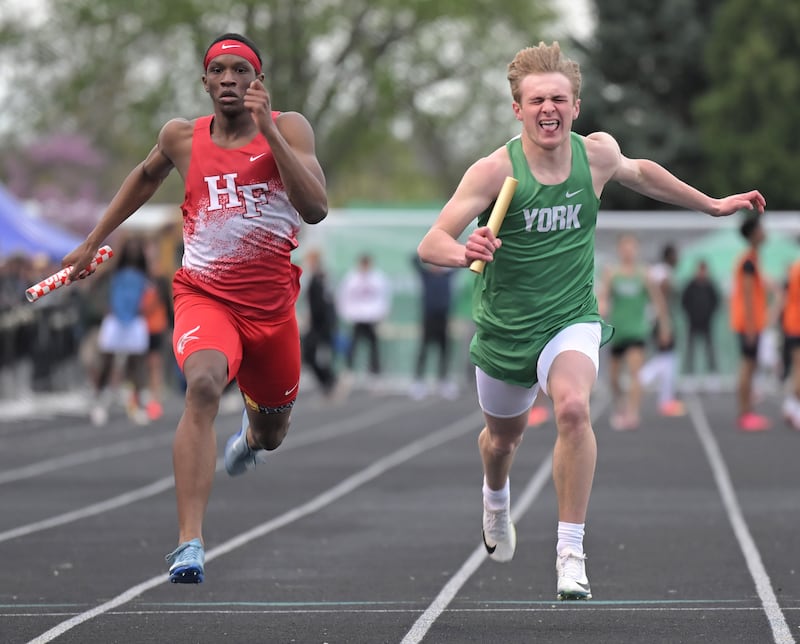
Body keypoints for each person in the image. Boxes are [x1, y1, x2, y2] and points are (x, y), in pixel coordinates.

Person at [416, 41, 765, 601]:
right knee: (501, 441)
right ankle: (495, 498)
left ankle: (570, 550)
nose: (548, 109)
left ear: (576, 106)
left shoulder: (596, 155)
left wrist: (711, 204)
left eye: (558, 98)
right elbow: (431, 242)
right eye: (536, 101)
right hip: (506, 328)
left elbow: (642, 173)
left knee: (574, 410)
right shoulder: (494, 170)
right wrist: (465, 249)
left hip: (570, 316)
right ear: (518, 109)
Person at [62, 33, 327, 583]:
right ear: (205, 82)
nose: (229, 79)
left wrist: (271, 131)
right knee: (203, 385)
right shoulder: (182, 137)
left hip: (272, 310)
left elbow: (315, 207)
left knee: (274, 431)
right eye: (218, 71)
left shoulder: (291, 126)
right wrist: (92, 241)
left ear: (259, 81)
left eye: (240, 71)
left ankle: (252, 440)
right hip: (205, 295)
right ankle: (189, 543)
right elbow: (144, 176)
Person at [597, 233, 668, 430]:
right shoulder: (612, 273)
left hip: (637, 331)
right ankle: (620, 407)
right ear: (619, 250)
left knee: (635, 374)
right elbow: (603, 298)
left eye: (632, 247)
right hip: (617, 331)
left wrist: (664, 327)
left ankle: (632, 413)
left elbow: (658, 301)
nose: (628, 251)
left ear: (636, 250)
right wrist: (601, 310)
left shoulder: (644, 274)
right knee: (613, 379)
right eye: (624, 247)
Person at [89, 238, 150, 427]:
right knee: (106, 361)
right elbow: (95, 289)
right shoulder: (113, 272)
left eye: (136, 248)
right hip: (114, 320)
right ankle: (98, 402)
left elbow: (151, 295)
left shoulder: (145, 274)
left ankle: (137, 405)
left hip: (135, 320)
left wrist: (145, 307)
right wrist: (104, 308)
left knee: (136, 364)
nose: (133, 252)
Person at [729, 215, 772, 431]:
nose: (765, 232)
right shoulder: (747, 261)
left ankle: (747, 411)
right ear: (754, 233)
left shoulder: (753, 259)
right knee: (747, 366)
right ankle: (744, 413)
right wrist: (752, 329)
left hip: (752, 323)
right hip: (748, 325)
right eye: (762, 228)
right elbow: (746, 296)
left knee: (750, 366)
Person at [639, 242, 686, 416]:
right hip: (660, 320)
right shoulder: (664, 274)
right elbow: (661, 300)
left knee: (667, 358)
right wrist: (664, 325)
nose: (678, 259)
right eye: (675, 255)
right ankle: (641, 381)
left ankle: (666, 399)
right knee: (666, 358)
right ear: (669, 256)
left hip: (656, 319)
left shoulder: (658, 271)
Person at [337, 254, 391, 387]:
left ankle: (374, 372)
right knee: (353, 345)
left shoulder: (378, 278)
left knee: (373, 346)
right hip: (357, 317)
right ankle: (349, 370)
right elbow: (344, 296)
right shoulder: (352, 278)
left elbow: (384, 296)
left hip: (371, 318)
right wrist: (347, 313)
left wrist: (381, 314)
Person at [409, 255, 458, 400]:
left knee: (444, 351)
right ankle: (418, 381)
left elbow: (460, 264)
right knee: (424, 350)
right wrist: (429, 253)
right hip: (428, 319)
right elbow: (413, 260)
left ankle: (443, 381)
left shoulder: (447, 276)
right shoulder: (426, 275)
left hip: (443, 319)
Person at [301, 249, 339, 398]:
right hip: (316, 325)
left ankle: (330, 381)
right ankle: (329, 381)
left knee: (315, 355)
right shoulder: (314, 279)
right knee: (310, 356)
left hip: (320, 326)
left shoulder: (321, 279)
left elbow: (324, 305)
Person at [681, 260, 720, 388]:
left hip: (706, 322)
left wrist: (709, 314)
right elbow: (684, 302)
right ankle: (689, 375)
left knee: (710, 350)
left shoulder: (710, 286)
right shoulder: (690, 286)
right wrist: (690, 315)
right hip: (693, 322)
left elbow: (716, 302)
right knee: (690, 350)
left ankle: (712, 375)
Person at [780, 257, 800, 430]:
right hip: (797, 325)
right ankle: (794, 409)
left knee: (796, 368)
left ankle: (791, 406)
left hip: (792, 324)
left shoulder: (794, 267)